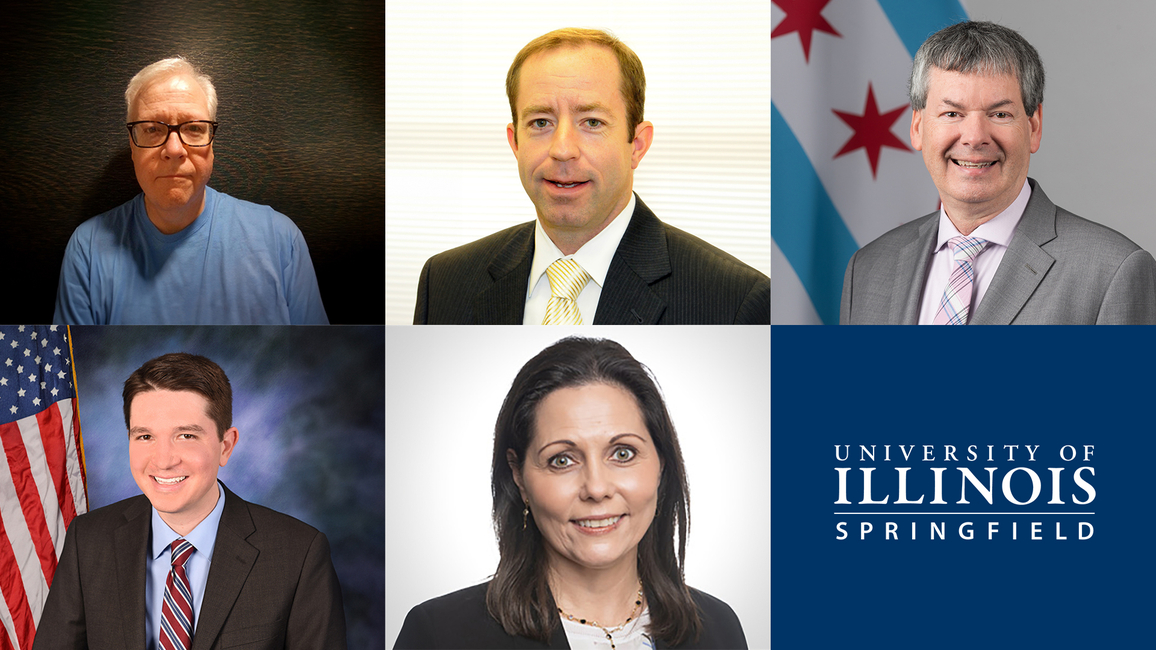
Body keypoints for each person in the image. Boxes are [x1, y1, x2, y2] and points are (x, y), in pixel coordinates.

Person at [394, 337, 746, 649]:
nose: (596, 488)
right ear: (518, 476)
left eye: (623, 453)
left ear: (661, 466)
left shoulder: (719, 629)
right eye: (562, 460)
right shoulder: (439, 634)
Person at [413, 29, 769, 325]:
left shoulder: (736, 302)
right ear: (515, 142)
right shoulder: (444, 282)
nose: (562, 149)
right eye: (541, 122)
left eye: (592, 122)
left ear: (637, 145)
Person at [840, 21, 1156, 325]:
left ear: (1034, 127)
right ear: (917, 126)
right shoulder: (868, 269)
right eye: (952, 113)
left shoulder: (1112, 273)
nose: (974, 137)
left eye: (999, 114)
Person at [33, 353, 346, 649]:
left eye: (186, 436)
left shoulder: (298, 554)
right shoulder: (88, 540)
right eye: (145, 436)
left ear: (226, 446)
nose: (163, 460)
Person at [53, 56, 329, 325]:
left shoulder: (281, 241)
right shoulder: (88, 249)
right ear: (132, 145)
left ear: (212, 144)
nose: (174, 149)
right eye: (152, 129)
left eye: (194, 128)